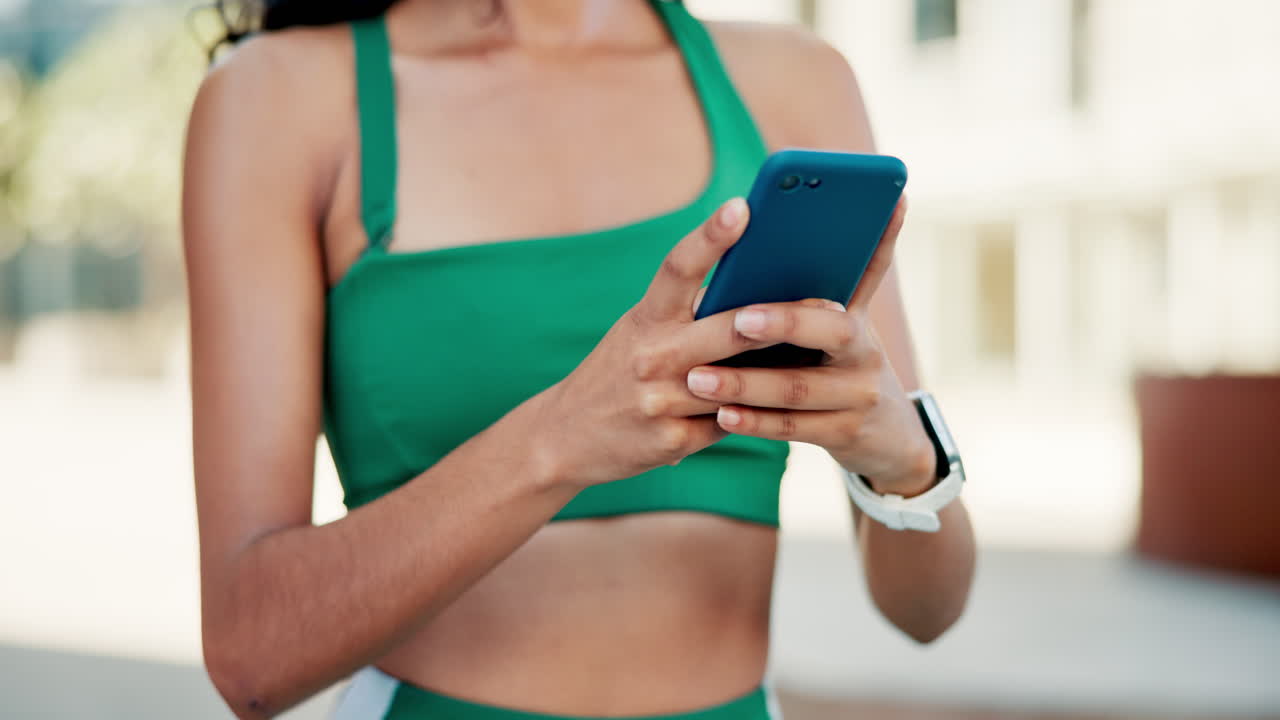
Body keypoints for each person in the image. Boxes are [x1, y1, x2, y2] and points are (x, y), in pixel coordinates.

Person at [181, 1, 977, 718]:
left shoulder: (797, 81)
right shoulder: (278, 97)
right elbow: (252, 656)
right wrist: (561, 436)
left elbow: (930, 613)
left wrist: (902, 460)